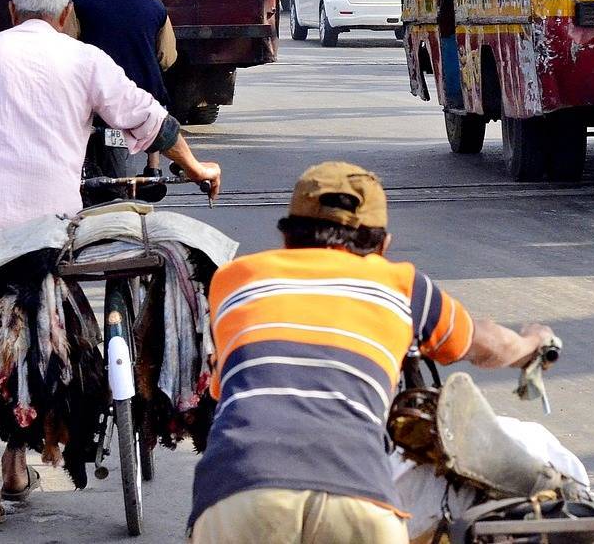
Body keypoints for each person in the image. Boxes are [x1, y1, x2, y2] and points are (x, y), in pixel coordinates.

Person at [0, 0, 221, 532]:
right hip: (47, 231)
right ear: (67, 16)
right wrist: (196, 166)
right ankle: (18, 462)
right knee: (40, 337)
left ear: (13, 14)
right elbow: (149, 118)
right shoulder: (85, 59)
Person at [191, 161, 556, 544]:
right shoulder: (403, 285)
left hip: (238, 490)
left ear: (286, 240)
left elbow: (224, 386)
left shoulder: (232, 280)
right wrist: (531, 343)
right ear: (383, 246)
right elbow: (486, 345)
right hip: (358, 493)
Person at [70, 0, 178, 191]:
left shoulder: (82, 1)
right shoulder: (156, 6)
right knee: (157, 109)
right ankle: (153, 167)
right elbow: (167, 57)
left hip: (92, 94)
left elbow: (66, 44)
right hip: (141, 92)